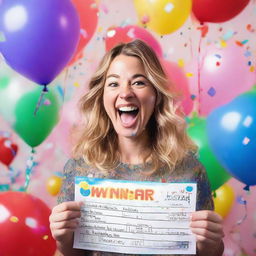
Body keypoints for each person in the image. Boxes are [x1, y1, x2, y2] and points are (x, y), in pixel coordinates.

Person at [49, 39, 224, 256]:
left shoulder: (189, 171)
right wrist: (64, 242)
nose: (125, 93)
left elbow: (208, 253)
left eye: (138, 82)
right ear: (102, 97)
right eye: (113, 83)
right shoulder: (80, 169)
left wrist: (211, 245)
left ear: (156, 95)